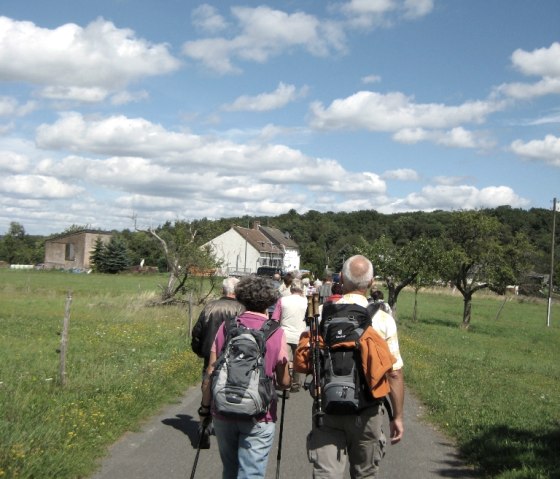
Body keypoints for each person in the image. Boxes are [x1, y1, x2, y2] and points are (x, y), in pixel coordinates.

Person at [305, 255, 404, 479]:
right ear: (370, 283)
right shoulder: (383, 319)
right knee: (365, 474)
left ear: (341, 280)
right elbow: (394, 373)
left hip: (326, 407)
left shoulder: (321, 313)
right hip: (367, 410)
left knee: (326, 475)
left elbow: (309, 358)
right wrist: (396, 416)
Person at [200, 275, 291, 479]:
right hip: (260, 414)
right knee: (251, 473)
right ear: (270, 301)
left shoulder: (227, 327)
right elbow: (284, 382)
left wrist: (205, 408)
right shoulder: (276, 332)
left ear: (241, 298)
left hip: (223, 409)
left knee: (229, 471)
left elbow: (211, 371)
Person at [191, 277, 245, 375]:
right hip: (234, 357)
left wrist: (199, 350)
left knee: (208, 383)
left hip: (210, 355)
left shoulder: (210, 306)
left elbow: (197, 331)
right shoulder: (242, 308)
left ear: (223, 290)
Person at [272, 278, 308, 393]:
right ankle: (296, 384)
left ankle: (285, 383)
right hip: (300, 334)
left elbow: (275, 318)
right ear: (302, 289)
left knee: (285, 360)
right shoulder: (306, 302)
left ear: (291, 288)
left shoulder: (282, 300)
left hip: (285, 333)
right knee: (298, 360)